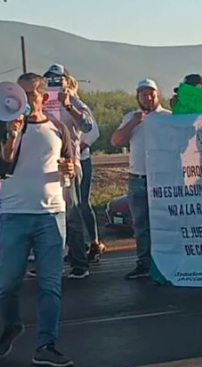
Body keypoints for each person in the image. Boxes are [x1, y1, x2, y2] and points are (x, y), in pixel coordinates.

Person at [0, 73, 75, 367]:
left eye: (31, 94)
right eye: (20, 93)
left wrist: (69, 169)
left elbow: (69, 168)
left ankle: (47, 344)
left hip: (51, 215)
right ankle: (12, 324)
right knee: (5, 285)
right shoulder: (5, 127)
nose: (25, 99)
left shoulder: (57, 128)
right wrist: (12, 135)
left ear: (43, 98)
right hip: (14, 215)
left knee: (50, 285)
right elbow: (4, 166)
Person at [111, 79, 171, 279]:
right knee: (141, 224)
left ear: (158, 95)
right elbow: (116, 140)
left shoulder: (168, 117)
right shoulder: (131, 117)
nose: (148, 97)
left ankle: (165, 261)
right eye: (143, 94)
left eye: (151, 93)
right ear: (138, 97)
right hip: (138, 178)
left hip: (162, 179)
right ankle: (143, 263)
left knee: (164, 221)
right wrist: (133, 124)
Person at [43, 64, 95, 280]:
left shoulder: (74, 101)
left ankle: (79, 264)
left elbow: (88, 127)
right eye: (49, 79)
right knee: (47, 215)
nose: (53, 82)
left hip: (69, 165)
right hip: (44, 166)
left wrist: (69, 106)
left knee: (72, 215)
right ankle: (51, 263)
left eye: (58, 78)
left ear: (66, 80)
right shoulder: (43, 99)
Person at [67, 76, 106, 263]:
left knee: (82, 203)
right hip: (63, 162)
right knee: (67, 206)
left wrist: (77, 148)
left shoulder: (78, 105)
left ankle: (94, 242)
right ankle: (75, 247)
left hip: (80, 160)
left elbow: (93, 131)